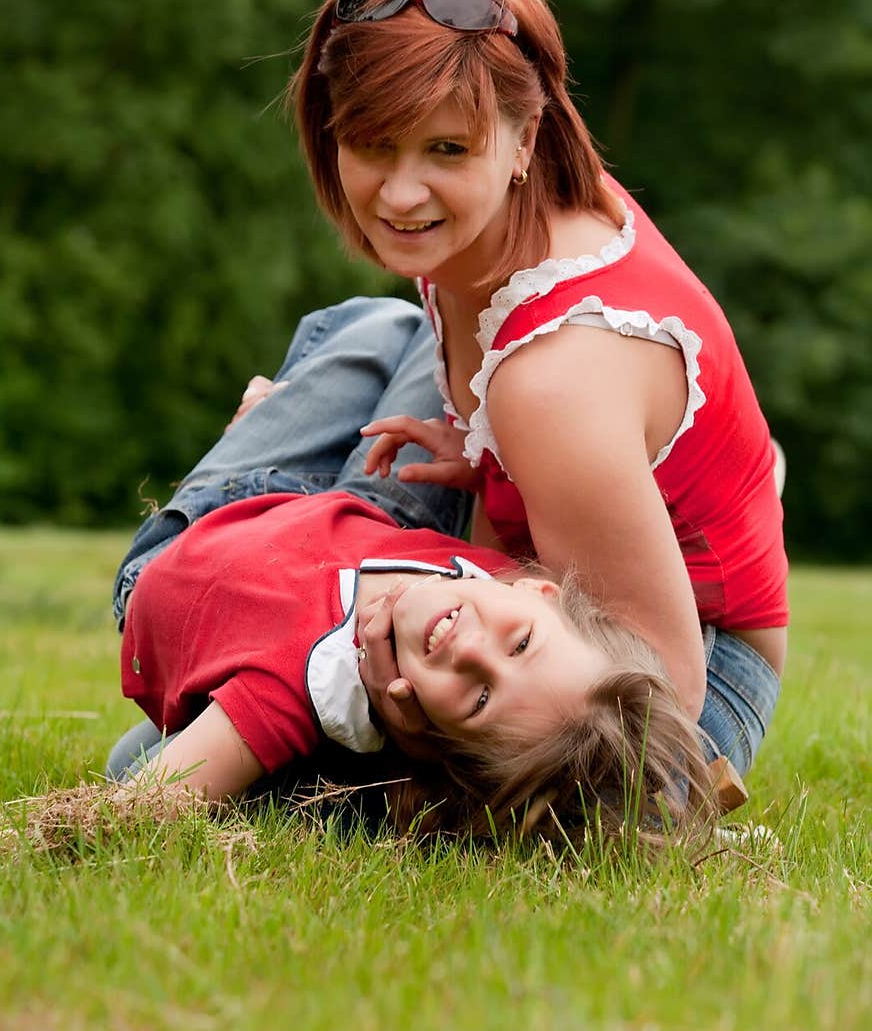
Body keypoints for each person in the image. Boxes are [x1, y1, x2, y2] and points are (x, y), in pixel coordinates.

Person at [282, 0, 788, 783]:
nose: (401, 195)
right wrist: (492, 463)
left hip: (666, 686)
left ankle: (201, 533)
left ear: (525, 140)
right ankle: (256, 512)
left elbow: (662, 691)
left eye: (446, 150)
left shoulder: (553, 378)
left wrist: (418, 724)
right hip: (533, 590)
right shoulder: (496, 222)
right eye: (371, 143)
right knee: (358, 331)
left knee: (171, 758)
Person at [107, 298, 724, 847]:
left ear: (436, 733)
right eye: (521, 642)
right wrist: (478, 452)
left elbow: (142, 801)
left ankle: (267, 418)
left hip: (217, 522)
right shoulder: (481, 577)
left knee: (375, 326)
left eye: (480, 698)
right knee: (429, 337)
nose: (470, 648)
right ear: (537, 589)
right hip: (362, 521)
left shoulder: (307, 682)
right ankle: (291, 415)